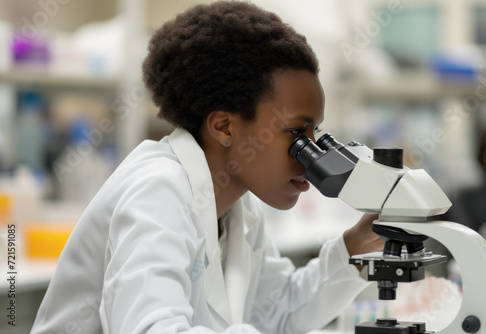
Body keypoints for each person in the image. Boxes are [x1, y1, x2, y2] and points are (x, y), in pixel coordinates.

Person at [31, 2, 383, 333]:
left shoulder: (237, 204)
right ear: (225, 127)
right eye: (295, 133)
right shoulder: (157, 191)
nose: (312, 156)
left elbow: (276, 311)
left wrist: (356, 247)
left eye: (315, 134)